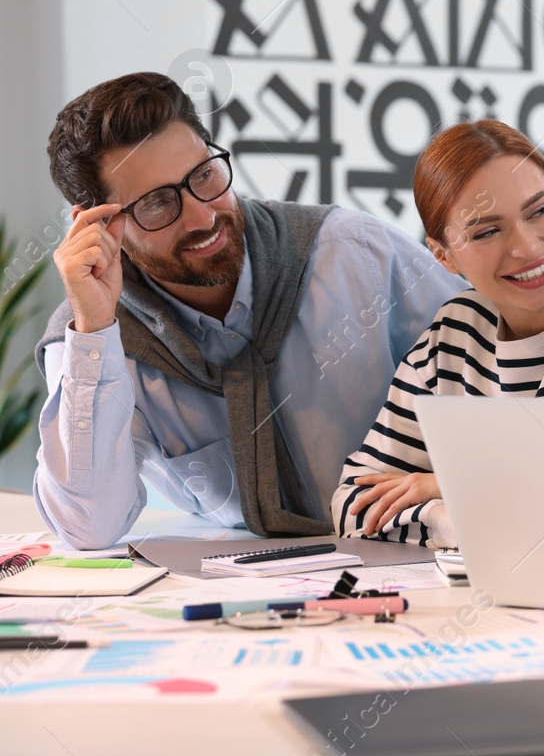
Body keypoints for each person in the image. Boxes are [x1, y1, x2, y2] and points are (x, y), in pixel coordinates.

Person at [35, 73, 464, 549]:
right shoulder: (92, 341)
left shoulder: (358, 253)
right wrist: (95, 332)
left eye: (204, 175)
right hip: (250, 596)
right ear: (100, 224)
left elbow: (504, 377)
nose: (203, 217)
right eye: (157, 204)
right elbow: (89, 527)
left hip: (422, 560)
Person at [333, 120, 544, 546]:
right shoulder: (452, 337)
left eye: (539, 210)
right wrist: (447, 519)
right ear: (444, 256)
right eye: (487, 231)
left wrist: (449, 482)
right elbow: (354, 502)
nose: (529, 248)